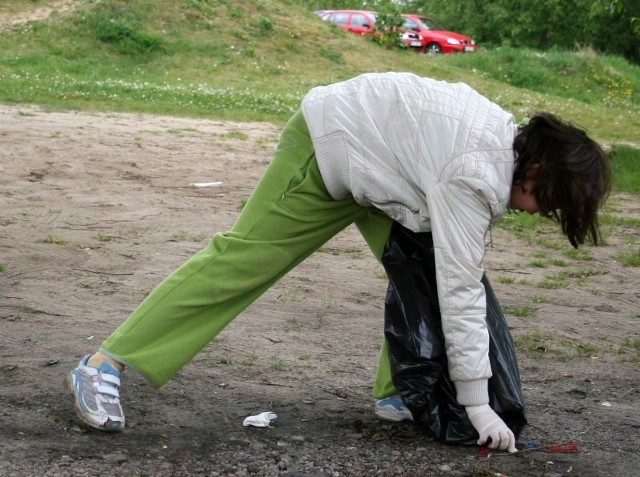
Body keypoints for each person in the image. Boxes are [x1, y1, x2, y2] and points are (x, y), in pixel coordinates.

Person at [65, 72, 611, 453]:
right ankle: (104, 364)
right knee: (241, 261)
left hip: (388, 174)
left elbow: (451, 278)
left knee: (422, 273)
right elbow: (462, 290)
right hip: (333, 144)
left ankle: (399, 392)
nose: (544, 215)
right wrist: (477, 404)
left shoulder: (501, 149)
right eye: (552, 201)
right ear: (536, 168)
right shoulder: (474, 174)